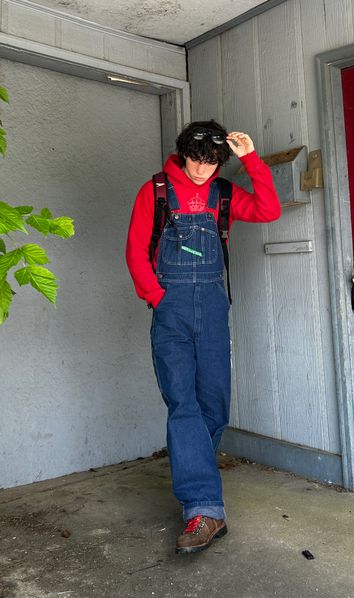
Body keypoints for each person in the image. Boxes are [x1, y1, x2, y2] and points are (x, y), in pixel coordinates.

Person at [126, 120, 280, 554]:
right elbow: (136, 249)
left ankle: (196, 474)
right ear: (182, 152)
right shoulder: (155, 191)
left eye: (212, 163)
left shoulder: (224, 193)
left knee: (213, 403)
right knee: (183, 402)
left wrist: (250, 158)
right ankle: (203, 508)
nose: (200, 171)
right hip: (171, 307)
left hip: (213, 306)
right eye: (196, 160)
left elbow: (269, 209)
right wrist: (158, 298)